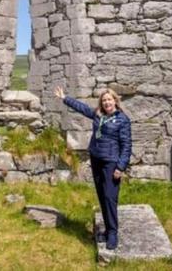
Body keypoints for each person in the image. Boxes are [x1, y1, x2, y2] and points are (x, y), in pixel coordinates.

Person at [54, 86, 131, 250]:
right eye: (104, 100)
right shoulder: (98, 115)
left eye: (109, 99)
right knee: (102, 196)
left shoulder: (122, 120)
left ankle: (113, 234)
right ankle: (108, 230)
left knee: (110, 198)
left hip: (111, 163)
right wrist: (64, 98)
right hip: (96, 160)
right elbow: (82, 108)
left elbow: (126, 145)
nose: (107, 102)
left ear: (115, 101)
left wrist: (121, 167)